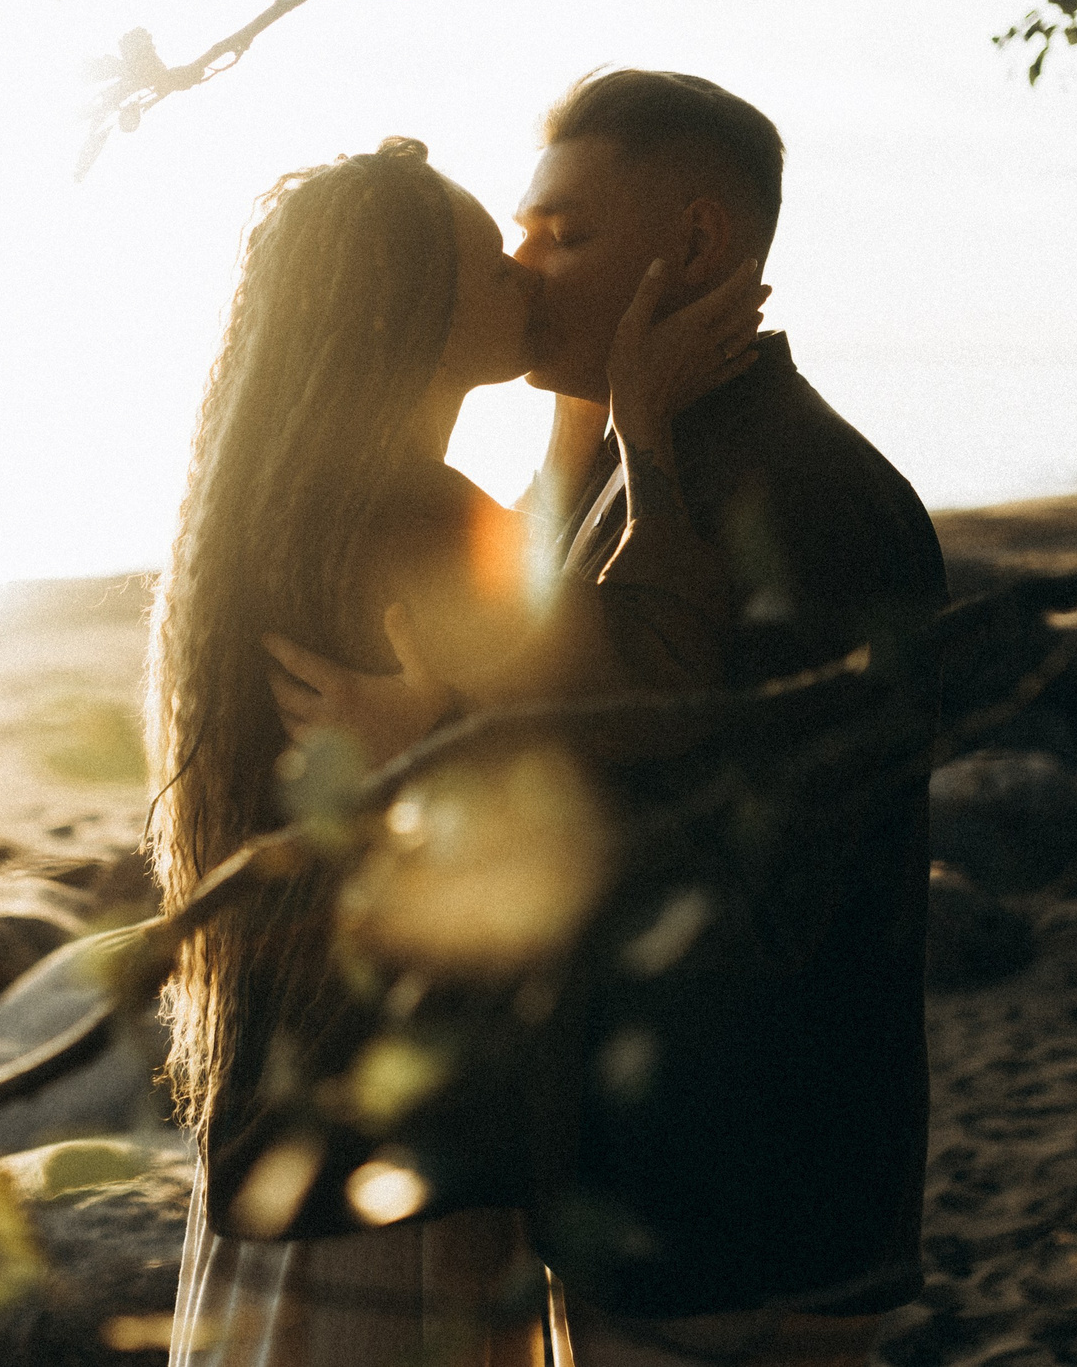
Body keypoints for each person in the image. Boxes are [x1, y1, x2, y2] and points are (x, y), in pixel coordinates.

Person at [262, 72, 946, 1367]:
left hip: (743, 1205)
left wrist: (436, 760)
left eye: (563, 234)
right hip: (636, 1183)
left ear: (694, 243)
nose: (525, 268)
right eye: (520, 236)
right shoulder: (625, 473)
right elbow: (573, 694)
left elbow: (761, 886)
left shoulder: (806, 496)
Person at [148, 136, 766, 1367]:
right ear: (413, 309)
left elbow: (512, 613)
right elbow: (650, 686)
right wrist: (642, 432)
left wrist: (582, 411)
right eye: (493, 264)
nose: (526, 275)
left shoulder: (298, 504)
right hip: (391, 1162)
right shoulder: (412, 513)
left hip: (294, 1122)